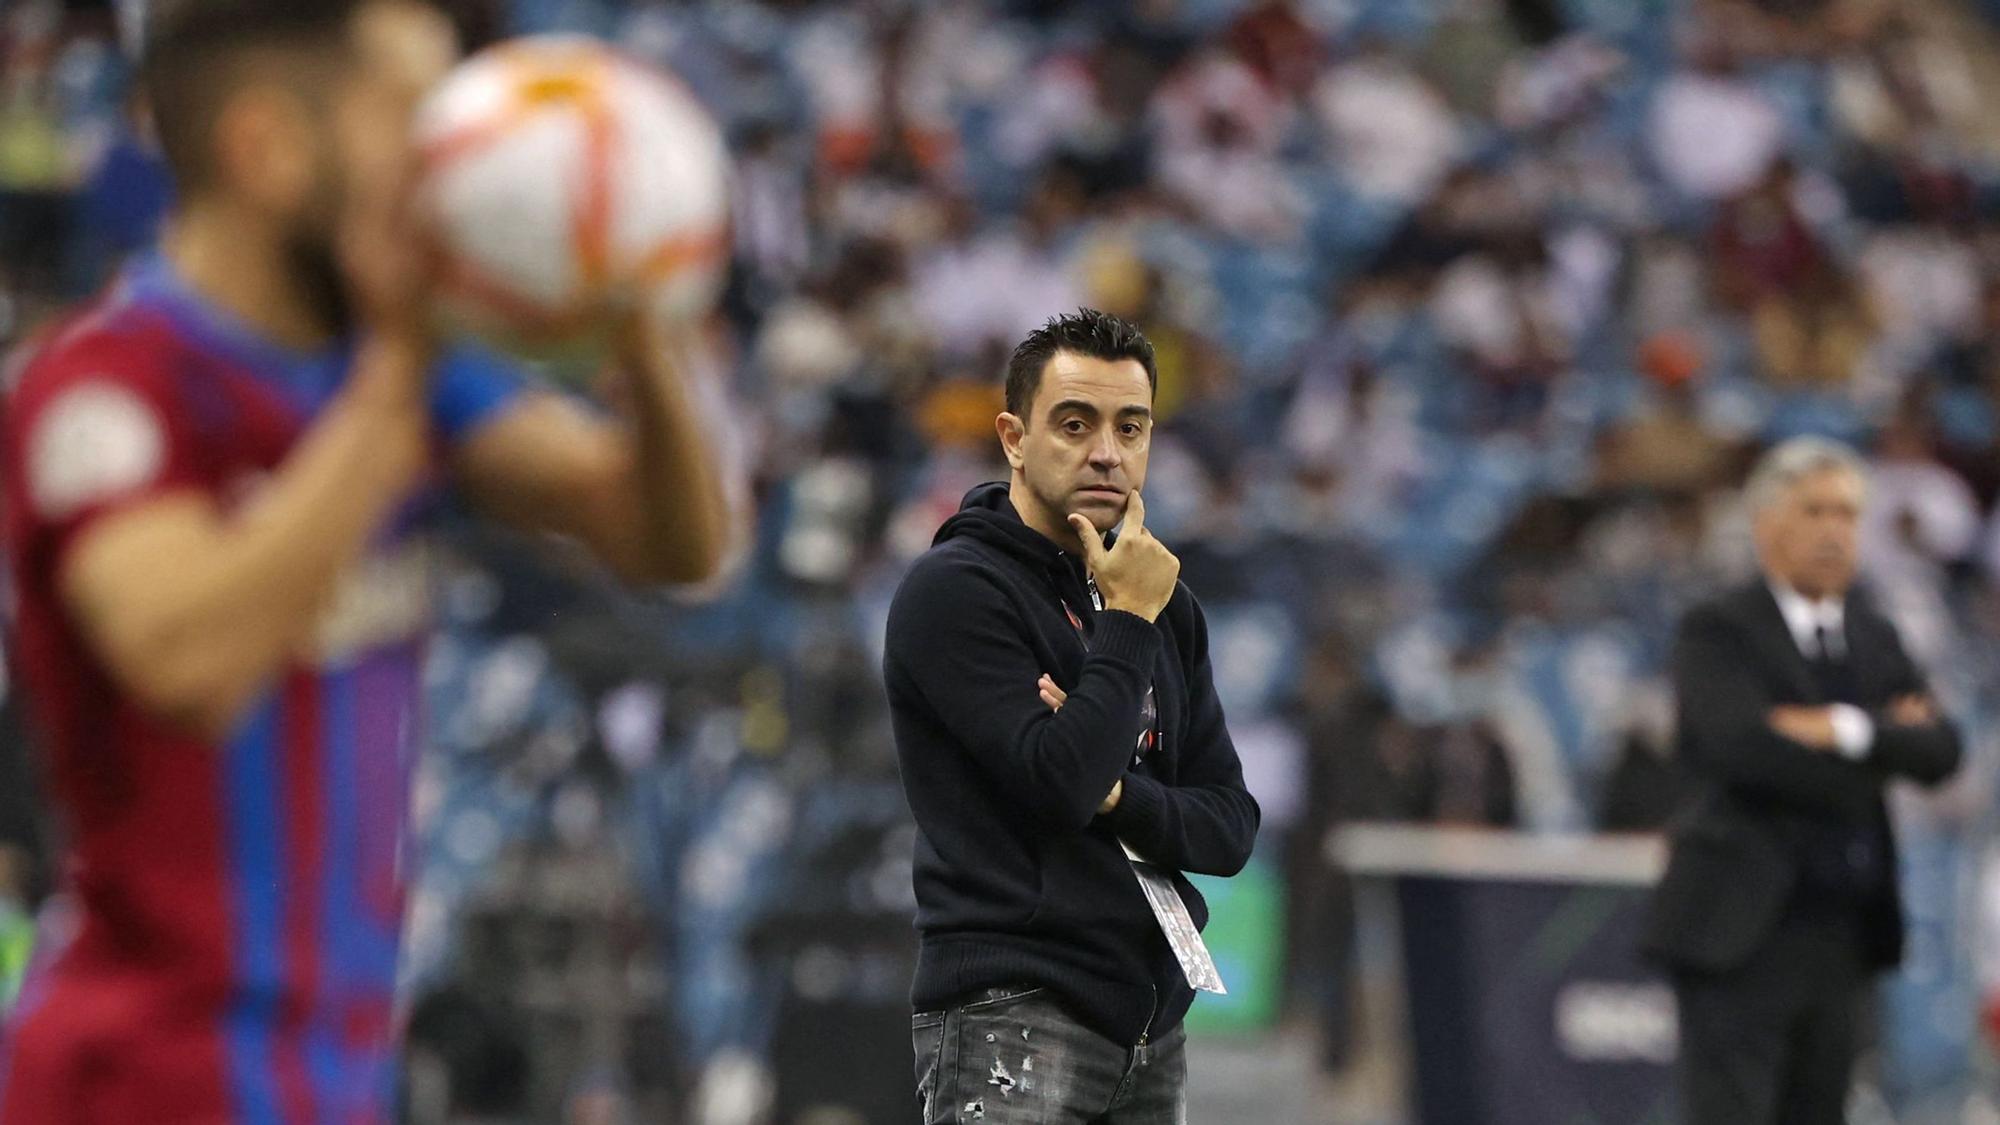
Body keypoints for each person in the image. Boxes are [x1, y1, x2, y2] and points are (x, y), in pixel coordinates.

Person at [0, 1, 741, 1121]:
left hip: (333, 1078)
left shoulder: (399, 383)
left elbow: (673, 543)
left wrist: (642, 331)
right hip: (143, 1075)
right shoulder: (106, 388)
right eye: (413, 125)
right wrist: (396, 374)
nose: (453, 174)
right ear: (266, 151)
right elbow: (190, 664)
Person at [883, 309, 1260, 1123]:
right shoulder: (956, 590)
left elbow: (1230, 826)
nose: (1107, 452)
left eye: (1131, 426)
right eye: (1075, 423)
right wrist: (1125, 625)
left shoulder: (1166, 602)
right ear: (1014, 438)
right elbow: (1059, 785)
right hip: (1011, 1011)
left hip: (1150, 1031)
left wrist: (1119, 793)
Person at [1642, 436, 1962, 1125]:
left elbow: (1942, 750)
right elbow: (1741, 748)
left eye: (1847, 514)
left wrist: (1845, 730)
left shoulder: (1874, 636)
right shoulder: (1719, 628)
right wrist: (1882, 746)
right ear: (1767, 525)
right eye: (1814, 510)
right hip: (1738, 926)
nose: (1833, 530)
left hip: (1842, 932)